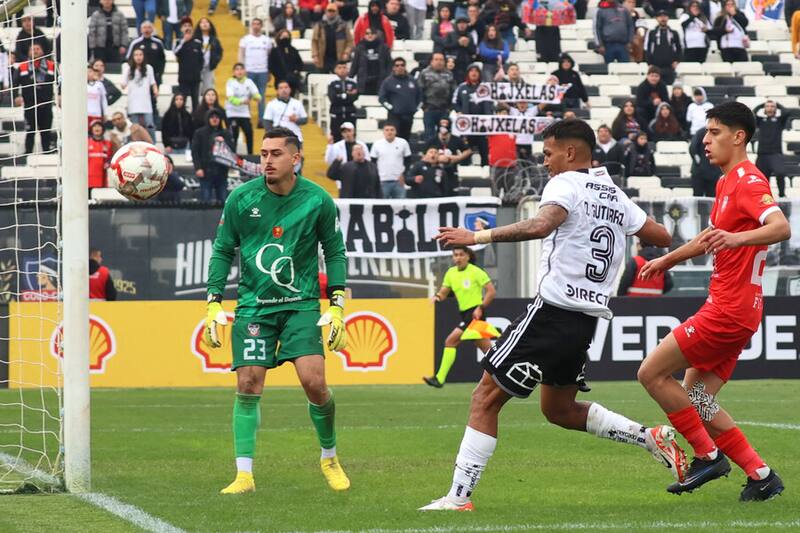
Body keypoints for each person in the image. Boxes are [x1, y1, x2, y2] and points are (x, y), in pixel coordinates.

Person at [420, 119, 684, 512]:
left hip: (552, 311)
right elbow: (661, 235)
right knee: (558, 410)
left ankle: (458, 498)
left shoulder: (565, 183)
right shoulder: (615, 194)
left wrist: (476, 236)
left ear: (571, 153)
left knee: (484, 398)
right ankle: (648, 437)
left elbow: (544, 224)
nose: (545, 163)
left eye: (548, 154)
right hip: (585, 320)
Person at [636, 102, 789, 500]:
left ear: (739, 137)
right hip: (738, 312)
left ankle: (707, 455)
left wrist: (737, 239)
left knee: (651, 373)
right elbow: (710, 238)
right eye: (706, 132)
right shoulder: (725, 183)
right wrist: (667, 258)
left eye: (715, 132)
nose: (705, 140)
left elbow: (781, 226)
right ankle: (761, 475)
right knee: (698, 399)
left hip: (728, 310)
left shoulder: (749, 181)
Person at [205, 126, 350, 495]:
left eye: (275, 154)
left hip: (300, 304)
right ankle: (244, 475)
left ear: (295, 158)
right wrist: (213, 302)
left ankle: (329, 456)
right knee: (248, 383)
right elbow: (223, 249)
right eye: (263, 154)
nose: (266, 160)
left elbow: (334, 252)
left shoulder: (318, 200)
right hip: (254, 308)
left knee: (314, 383)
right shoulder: (241, 199)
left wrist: (337, 306)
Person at [423, 246, 496, 388]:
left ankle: (439, 379)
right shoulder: (451, 273)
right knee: (489, 352)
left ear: (468, 256)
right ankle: (504, 374)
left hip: (475, 314)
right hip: (466, 315)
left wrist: (480, 307)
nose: (458, 258)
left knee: (450, 341)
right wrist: (437, 297)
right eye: (455, 255)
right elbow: (444, 291)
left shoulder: (475, 271)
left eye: (461, 255)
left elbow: (491, 292)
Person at [14, 43, 55, 154]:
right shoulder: (22, 67)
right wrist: (16, 96)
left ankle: (46, 153)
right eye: (33, 49)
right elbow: (15, 83)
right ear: (28, 52)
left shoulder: (51, 65)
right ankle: (27, 153)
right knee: (30, 131)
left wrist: (60, 94)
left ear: (42, 51)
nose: (35, 51)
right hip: (30, 105)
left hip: (46, 105)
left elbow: (60, 81)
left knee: (46, 131)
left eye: (38, 49)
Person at [754, 100, 796, 198]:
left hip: (775, 154)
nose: (770, 108)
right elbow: (752, 113)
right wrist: (761, 105)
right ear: (764, 109)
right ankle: (765, 198)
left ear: (776, 109)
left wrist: (777, 104)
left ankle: (781, 194)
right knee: (762, 179)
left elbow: (787, 112)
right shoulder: (760, 121)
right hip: (762, 155)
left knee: (780, 172)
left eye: (772, 106)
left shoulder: (779, 121)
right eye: (767, 106)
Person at [192, 109, 235, 203]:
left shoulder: (226, 133)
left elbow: (232, 151)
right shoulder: (200, 133)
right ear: (208, 119)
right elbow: (195, 152)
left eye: (217, 117)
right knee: (206, 201)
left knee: (224, 201)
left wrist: (224, 143)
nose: (214, 119)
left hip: (222, 172)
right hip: (205, 171)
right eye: (212, 117)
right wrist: (198, 168)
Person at [453, 64, 492, 165]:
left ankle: (485, 173)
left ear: (480, 74)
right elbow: (454, 102)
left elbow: (490, 105)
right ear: (468, 73)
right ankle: (465, 172)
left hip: (482, 127)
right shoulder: (462, 87)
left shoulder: (486, 87)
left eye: (476, 71)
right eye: (471, 71)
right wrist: (459, 111)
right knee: (466, 152)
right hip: (467, 127)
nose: (474, 73)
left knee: (484, 152)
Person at [378, 57, 421, 142]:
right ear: (393, 67)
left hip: (409, 115)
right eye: (397, 65)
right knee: (395, 139)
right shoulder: (388, 81)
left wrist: (415, 108)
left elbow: (420, 96)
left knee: (405, 139)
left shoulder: (412, 80)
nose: (400, 67)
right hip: (394, 116)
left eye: (402, 65)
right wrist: (391, 108)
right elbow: (382, 98)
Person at [427, 117, 472, 195]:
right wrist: (437, 158)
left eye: (446, 123)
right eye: (442, 123)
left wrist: (458, 157)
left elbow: (468, 151)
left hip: (451, 170)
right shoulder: (432, 140)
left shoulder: (456, 139)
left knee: (451, 192)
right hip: (434, 170)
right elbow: (424, 155)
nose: (444, 126)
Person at [121, 48, 158, 140]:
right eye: (136, 55)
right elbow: (123, 85)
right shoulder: (128, 69)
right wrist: (127, 78)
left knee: (150, 124)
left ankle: (152, 143)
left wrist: (155, 90)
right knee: (135, 127)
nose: (138, 57)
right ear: (132, 57)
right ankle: (135, 144)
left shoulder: (149, 68)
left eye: (140, 54)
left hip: (146, 102)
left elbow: (153, 82)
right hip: (133, 102)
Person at [239, 18, 272, 123]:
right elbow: (241, 55)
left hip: (262, 71)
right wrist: (241, 69)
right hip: (249, 71)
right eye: (254, 24)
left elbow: (269, 56)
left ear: (261, 26)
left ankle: (261, 119)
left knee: (261, 96)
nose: (256, 26)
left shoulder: (266, 40)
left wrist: (269, 71)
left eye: (258, 24)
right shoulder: (245, 39)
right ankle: (246, 117)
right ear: (251, 26)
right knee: (247, 96)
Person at [225, 63, 261, 155]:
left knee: (249, 132)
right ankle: (232, 157)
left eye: (241, 69)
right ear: (234, 72)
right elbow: (231, 99)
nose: (239, 71)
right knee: (234, 136)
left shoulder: (249, 82)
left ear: (245, 71)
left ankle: (250, 155)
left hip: (244, 113)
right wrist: (242, 101)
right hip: (232, 113)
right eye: (237, 69)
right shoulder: (230, 82)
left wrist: (257, 97)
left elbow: (257, 94)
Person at [419, 52, 455, 140]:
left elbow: (453, 92)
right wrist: (424, 107)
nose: (439, 62)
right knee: (429, 135)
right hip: (429, 109)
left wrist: (450, 108)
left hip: (444, 110)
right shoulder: (424, 73)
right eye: (436, 59)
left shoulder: (449, 74)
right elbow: (419, 91)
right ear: (431, 61)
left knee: (444, 134)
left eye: (441, 60)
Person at [370, 122, 411, 198]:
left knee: (400, 207)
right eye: (387, 130)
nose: (389, 132)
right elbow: (373, 163)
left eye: (392, 130)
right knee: (382, 207)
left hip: (399, 181)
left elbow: (408, 161)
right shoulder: (377, 144)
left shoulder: (403, 143)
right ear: (383, 132)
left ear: (396, 131)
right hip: (382, 181)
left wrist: (404, 175)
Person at [311, 4, 354, 74]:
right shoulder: (319, 25)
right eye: (329, 11)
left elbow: (350, 41)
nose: (331, 13)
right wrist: (315, 55)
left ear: (337, 12)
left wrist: (346, 53)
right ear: (325, 12)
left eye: (333, 11)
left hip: (339, 59)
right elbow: (314, 42)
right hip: (323, 58)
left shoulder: (343, 25)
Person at [349, 28, 392, 95]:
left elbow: (389, 64)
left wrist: (388, 76)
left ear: (376, 35)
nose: (370, 35)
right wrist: (350, 77)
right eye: (367, 33)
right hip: (364, 81)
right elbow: (355, 64)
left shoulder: (384, 47)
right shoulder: (360, 47)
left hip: (380, 80)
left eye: (372, 33)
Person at [174, 17, 204, 111]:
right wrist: (184, 41)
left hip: (195, 77)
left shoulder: (198, 42)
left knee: (196, 101)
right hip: (183, 77)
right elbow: (175, 53)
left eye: (189, 26)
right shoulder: (178, 42)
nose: (187, 28)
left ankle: (196, 121)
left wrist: (198, 70)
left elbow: (201, 59)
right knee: (182, 100)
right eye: (185, 26)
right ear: (181, 28)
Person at [644, 10, 681, 85]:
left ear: (668, 18)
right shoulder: (652, 33)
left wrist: (677, 61)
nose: (663, 19)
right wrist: (649, 63)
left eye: (665, 16)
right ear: (657, 18)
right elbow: (647, 48)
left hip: (669, 67)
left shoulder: (674, 33)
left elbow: (679, 48)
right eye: (660, 17)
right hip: (655, 67)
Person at [88, 0, 129, 64]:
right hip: (99, 48)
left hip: (115, 48)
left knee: (115, 70)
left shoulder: (120, 14)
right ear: (100, 1)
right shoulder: (95, 15)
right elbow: (92, 32)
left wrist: (123, 45)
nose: (107, 1)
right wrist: (93, 48)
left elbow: (124, 31)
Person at [127, 21, 166, 88]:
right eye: (144, 28)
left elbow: (162, 60)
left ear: (152, 29)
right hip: (139, 76)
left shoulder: (158, 43)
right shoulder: (135, 43)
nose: (146, 30)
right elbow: (129, 58)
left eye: (149, 28)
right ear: (141, 30)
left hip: (155, 76)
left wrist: (159, 74)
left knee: (153, 97)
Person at [327, 61, 358, 141]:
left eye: (344, 68)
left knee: (351, 137)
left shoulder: (352, 83)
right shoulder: (332, 84)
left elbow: (354, 97)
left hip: (350, 114)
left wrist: (341, 96)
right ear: (335, 70)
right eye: (339, 68)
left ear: (348, 69)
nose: (342, 70)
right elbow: (333, 98)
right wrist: (346, 95)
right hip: (336, 114)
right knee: (336, 137)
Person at [194, 18, 224, 96]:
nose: (204, 24)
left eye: (207, 22)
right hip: (196, 68)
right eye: (202, 22)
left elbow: (219, 52)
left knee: (208, 90)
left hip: (209, 68)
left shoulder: (214, 40)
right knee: (197, 90)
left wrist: (214, 63)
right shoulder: (195, 39)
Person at [269, 29, 303, 95]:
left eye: (287, 36)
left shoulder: (293, 50)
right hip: (280, 79)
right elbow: (271, 65)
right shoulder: (275, 51)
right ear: (279, 37)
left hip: (292, 80)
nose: (285, 39)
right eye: (283, 36)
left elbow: (300, 63)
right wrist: (279, 75)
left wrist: (296, 71)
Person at [689, 126, 719, 197]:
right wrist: (697, 160)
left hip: (713, 173)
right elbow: (693, 148)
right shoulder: (701, 132)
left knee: (711, 199)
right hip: (699, 172)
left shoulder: (722, 134)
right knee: (698, 199)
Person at [88, 120, 113, 190]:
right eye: (94, 126)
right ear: (91, 129)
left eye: (99, 126)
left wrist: (108, 163)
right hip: (88, 179)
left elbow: (110, 158)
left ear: (103, 129)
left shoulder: (108, 144)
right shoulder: (86, 143)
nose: (97, 128)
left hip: (103, 179)